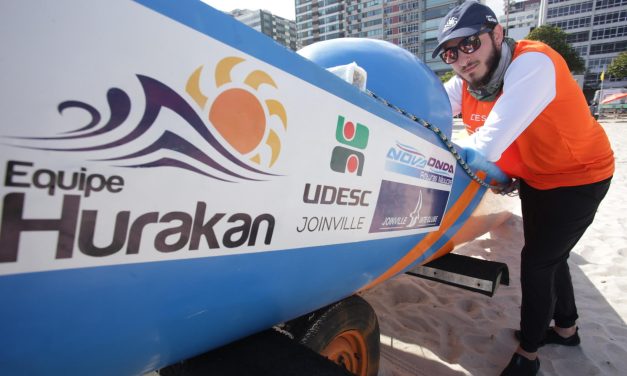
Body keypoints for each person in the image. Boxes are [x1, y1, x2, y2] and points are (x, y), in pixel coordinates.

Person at [432, 1, 615, 375]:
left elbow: (486, 146)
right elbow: (430, 107)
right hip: (536, 176)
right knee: (552, 255)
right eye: (450, 52)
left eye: (470, 43)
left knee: (537, 263)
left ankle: (529, 354)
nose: (461, 59)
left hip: (579, 177)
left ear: (497, 34)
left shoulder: (532, 63)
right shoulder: (467, 79)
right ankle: (566, 329)